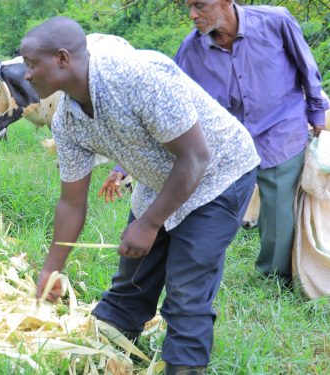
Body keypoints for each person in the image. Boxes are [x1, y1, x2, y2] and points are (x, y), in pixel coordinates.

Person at [23, 17, 260, 374]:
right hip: (161, 180)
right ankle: (110, 349)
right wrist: (52, 269)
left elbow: (196, 157)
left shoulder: (135, 76)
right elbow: (72, 202)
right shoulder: (67, 121)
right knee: (133, 278)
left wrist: (150, 223)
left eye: (30, 65)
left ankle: (183, 366)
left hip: (218, 173)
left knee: (186, 286)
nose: (26, 76)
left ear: (61, 59)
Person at [101, 0, 330, 286]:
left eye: (200, 5)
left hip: (280, 129)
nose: (193, 15)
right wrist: (124, 164)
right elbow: (165, 104)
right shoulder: (191, 49)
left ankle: (272, 279)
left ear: (225, 2)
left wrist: (317, 112)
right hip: (229, 144)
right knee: (212, 208)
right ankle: (192, 272)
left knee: (278, 215)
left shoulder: (275, 22)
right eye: (189, 7)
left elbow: (307, 67)